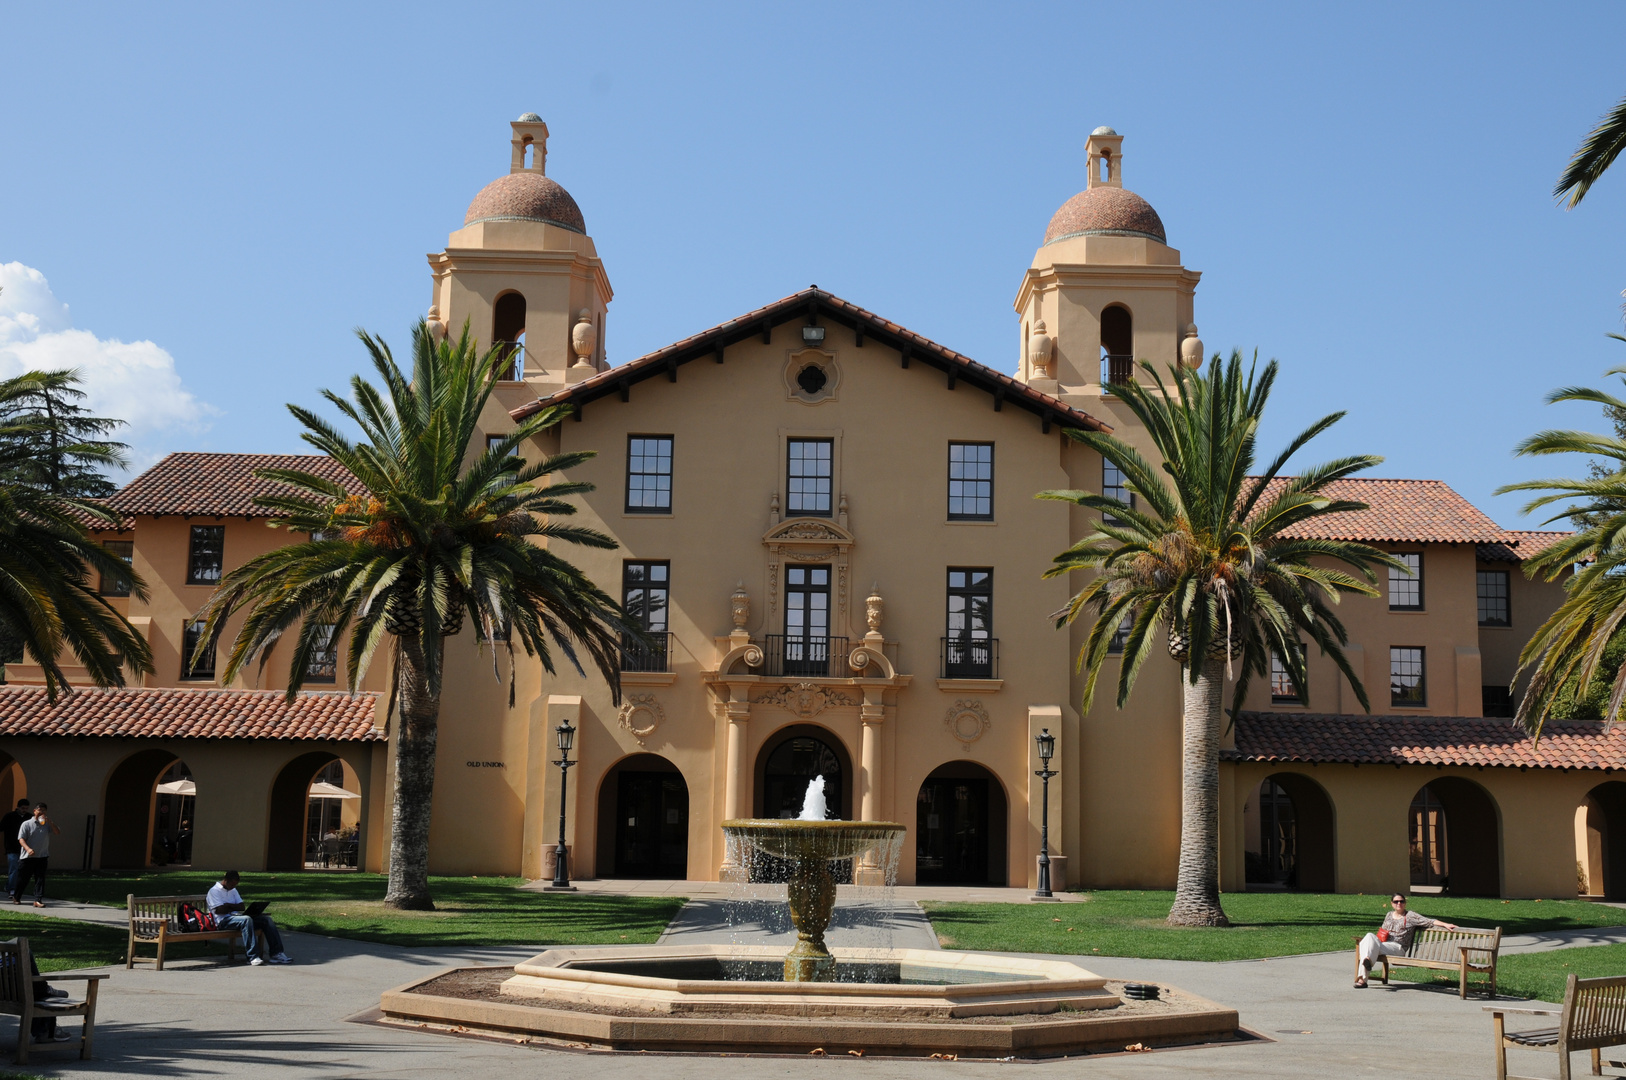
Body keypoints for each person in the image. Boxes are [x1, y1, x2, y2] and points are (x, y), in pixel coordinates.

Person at [1354, 893, 1459, 987]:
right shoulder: (1388, 915)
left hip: (1397, 948)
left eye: (1401, 901)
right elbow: (1383, 932)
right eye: (1396, 901)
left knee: (1366, 947)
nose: (1399, 903)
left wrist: (1445, 924)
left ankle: (1363, 979)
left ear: (1405, 903)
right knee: (1369, 936)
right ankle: (1367, 960)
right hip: (1385, 945)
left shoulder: (1410, 916)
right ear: (1392, 904)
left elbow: (1429, 921)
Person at [206, 871, 290, 966]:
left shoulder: (233, 890)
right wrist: (232, 907)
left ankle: (276, 954)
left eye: (235, 885)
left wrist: (228, 905)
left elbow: (242, 907)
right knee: (246, 919)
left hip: (237, 918)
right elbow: (219, 910)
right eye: (232, 884)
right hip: (222, 921)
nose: (233, 887)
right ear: (225, 880)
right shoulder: (214, 891)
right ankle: (252, 956)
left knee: (266, 920)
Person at [13, 803, 59, 908]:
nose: (42, 812)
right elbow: (21, 839)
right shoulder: (27, 824)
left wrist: (50, 822)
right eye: (40, 810)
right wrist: (28, 849)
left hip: (42, 856)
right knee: (23, 879)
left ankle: (38, 900)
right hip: (27, 857)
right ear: (35, 811)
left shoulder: (47, 824)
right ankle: (17, 897)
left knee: (40, 879)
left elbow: (57, 832)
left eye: (44, 810)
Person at [0, 799, 29, 899]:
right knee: (14, 869)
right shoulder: (9, 816)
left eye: (26, 808)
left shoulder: (29, 817)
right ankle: (12, 889)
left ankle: (9, 886)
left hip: (24, 848)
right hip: (11, 847)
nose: (24, 810)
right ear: (18, 807)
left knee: (21, 870)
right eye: (22, 808)